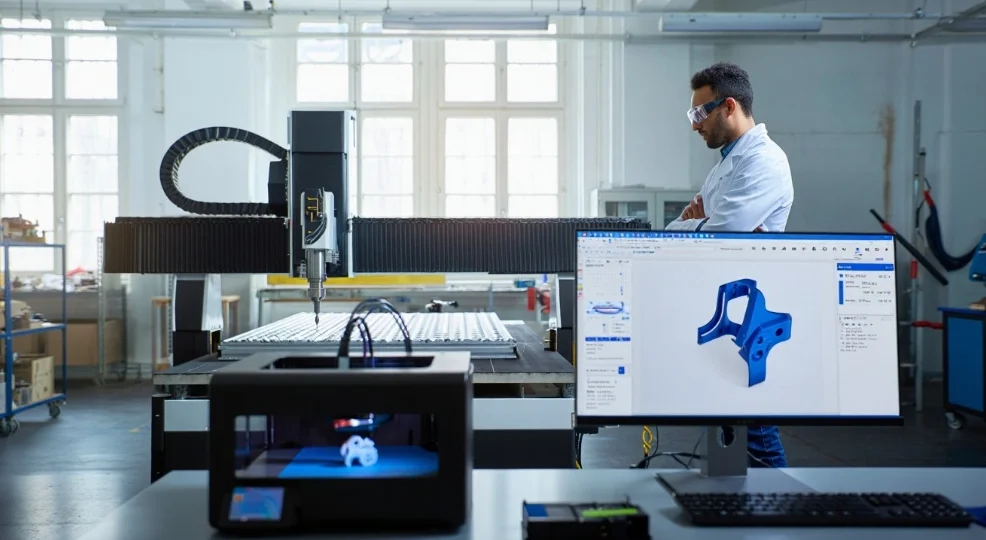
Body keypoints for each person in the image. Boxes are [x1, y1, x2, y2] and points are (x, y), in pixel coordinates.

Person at [667, 62, 794, 468]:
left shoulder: (765, 163)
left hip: (748, 309)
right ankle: (735, 509)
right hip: (722, 302)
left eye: (700, 114)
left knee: (754, 428)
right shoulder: (726, 165)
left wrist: (698, 223)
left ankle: (780, 513)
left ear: (729, 106)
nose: (694, 125)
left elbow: (723, 231)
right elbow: (678, 228)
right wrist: (699, 225)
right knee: (729, 428)